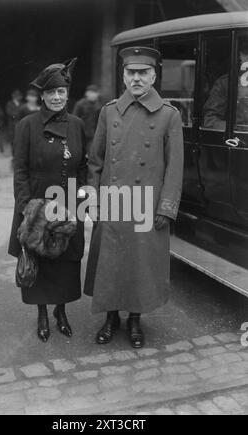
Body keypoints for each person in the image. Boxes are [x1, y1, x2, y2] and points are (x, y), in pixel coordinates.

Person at [84, 47, 184, 349]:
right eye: (131, 73)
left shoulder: (169, 114)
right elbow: (95, 162)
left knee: (141, 264)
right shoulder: (109, 111)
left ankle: (135, 321)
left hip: (147, 203)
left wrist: (166, 207)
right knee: (112, 262)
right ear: (123, 76)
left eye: (143, 73)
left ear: (153, 76)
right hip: (114, 200)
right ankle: (111, 317)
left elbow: (175, 167)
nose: (137, 79)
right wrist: (93, 202)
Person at [8, 59, 87, 343]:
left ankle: (61, 312)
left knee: (66, 261)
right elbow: (20, 170)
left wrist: (82, 201)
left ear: (68, 94)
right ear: (42, 95)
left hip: (68, 203)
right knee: (39, 259)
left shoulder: (77, 125)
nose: (56, 97)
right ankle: (42, 313)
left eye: (62, 92)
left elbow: (82, 167)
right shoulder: (27, 125)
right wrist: (26, 205)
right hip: (37, 204)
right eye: (51, 92)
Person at [73, 84, 102, 155]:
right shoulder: (80, 104)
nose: (94, 95)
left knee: (92, 153)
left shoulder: (99, 105)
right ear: (87, 93)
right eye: (91, 93)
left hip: (93, 134)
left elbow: (100, 121)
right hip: (81, 134)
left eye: (95, 93)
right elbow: (74, 118)